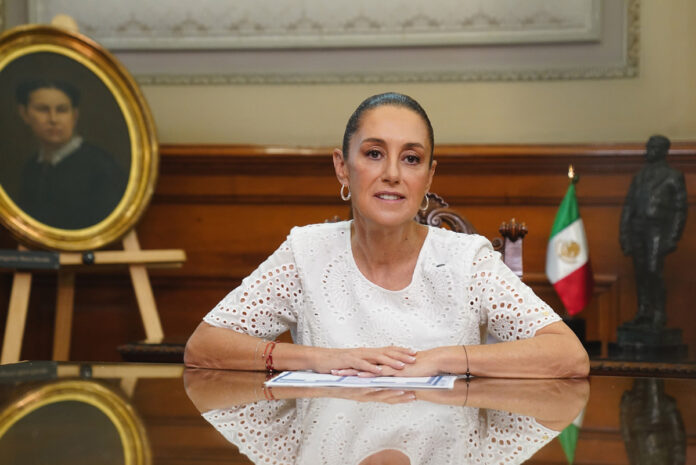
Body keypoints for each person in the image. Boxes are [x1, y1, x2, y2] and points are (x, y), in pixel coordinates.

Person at [185, 92, 589, 378]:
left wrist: (443, 359)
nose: (393, 174)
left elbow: (568, 355)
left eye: (411, 158)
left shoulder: (467, 261)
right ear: (342, 167)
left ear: (429, 176)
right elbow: (204, 346)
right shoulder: (306, 252)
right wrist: (318, 358)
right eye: (374, 153)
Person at [15, 79, 127, 230]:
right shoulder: (31, 168)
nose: (53, 119)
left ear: (74, 115)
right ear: (24, 114)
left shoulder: (102, 166)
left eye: (62, 110)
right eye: (43, 109)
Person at [619, 135, 687, 329]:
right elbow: (629, 207)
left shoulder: (673, 176)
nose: (648, 151)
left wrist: (673, 237)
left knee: (653, 270)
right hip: (637, 228)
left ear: (663, 151)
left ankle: (659, 312)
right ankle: (643, 310)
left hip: (658, 229)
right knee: (640, 272)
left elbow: (680, 209)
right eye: (648, 147)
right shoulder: (639, 176)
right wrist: (624, 234)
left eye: (653, 148)